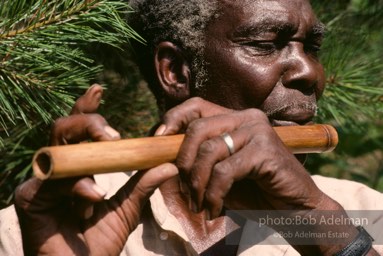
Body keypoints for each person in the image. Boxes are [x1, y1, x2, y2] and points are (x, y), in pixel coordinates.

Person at [1, 0, 382, 255]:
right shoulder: (33, 231)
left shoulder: (363, 214)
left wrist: (329, 235)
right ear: (176, 71)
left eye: (311, 48)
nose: (311, 72)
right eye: (266, 43)